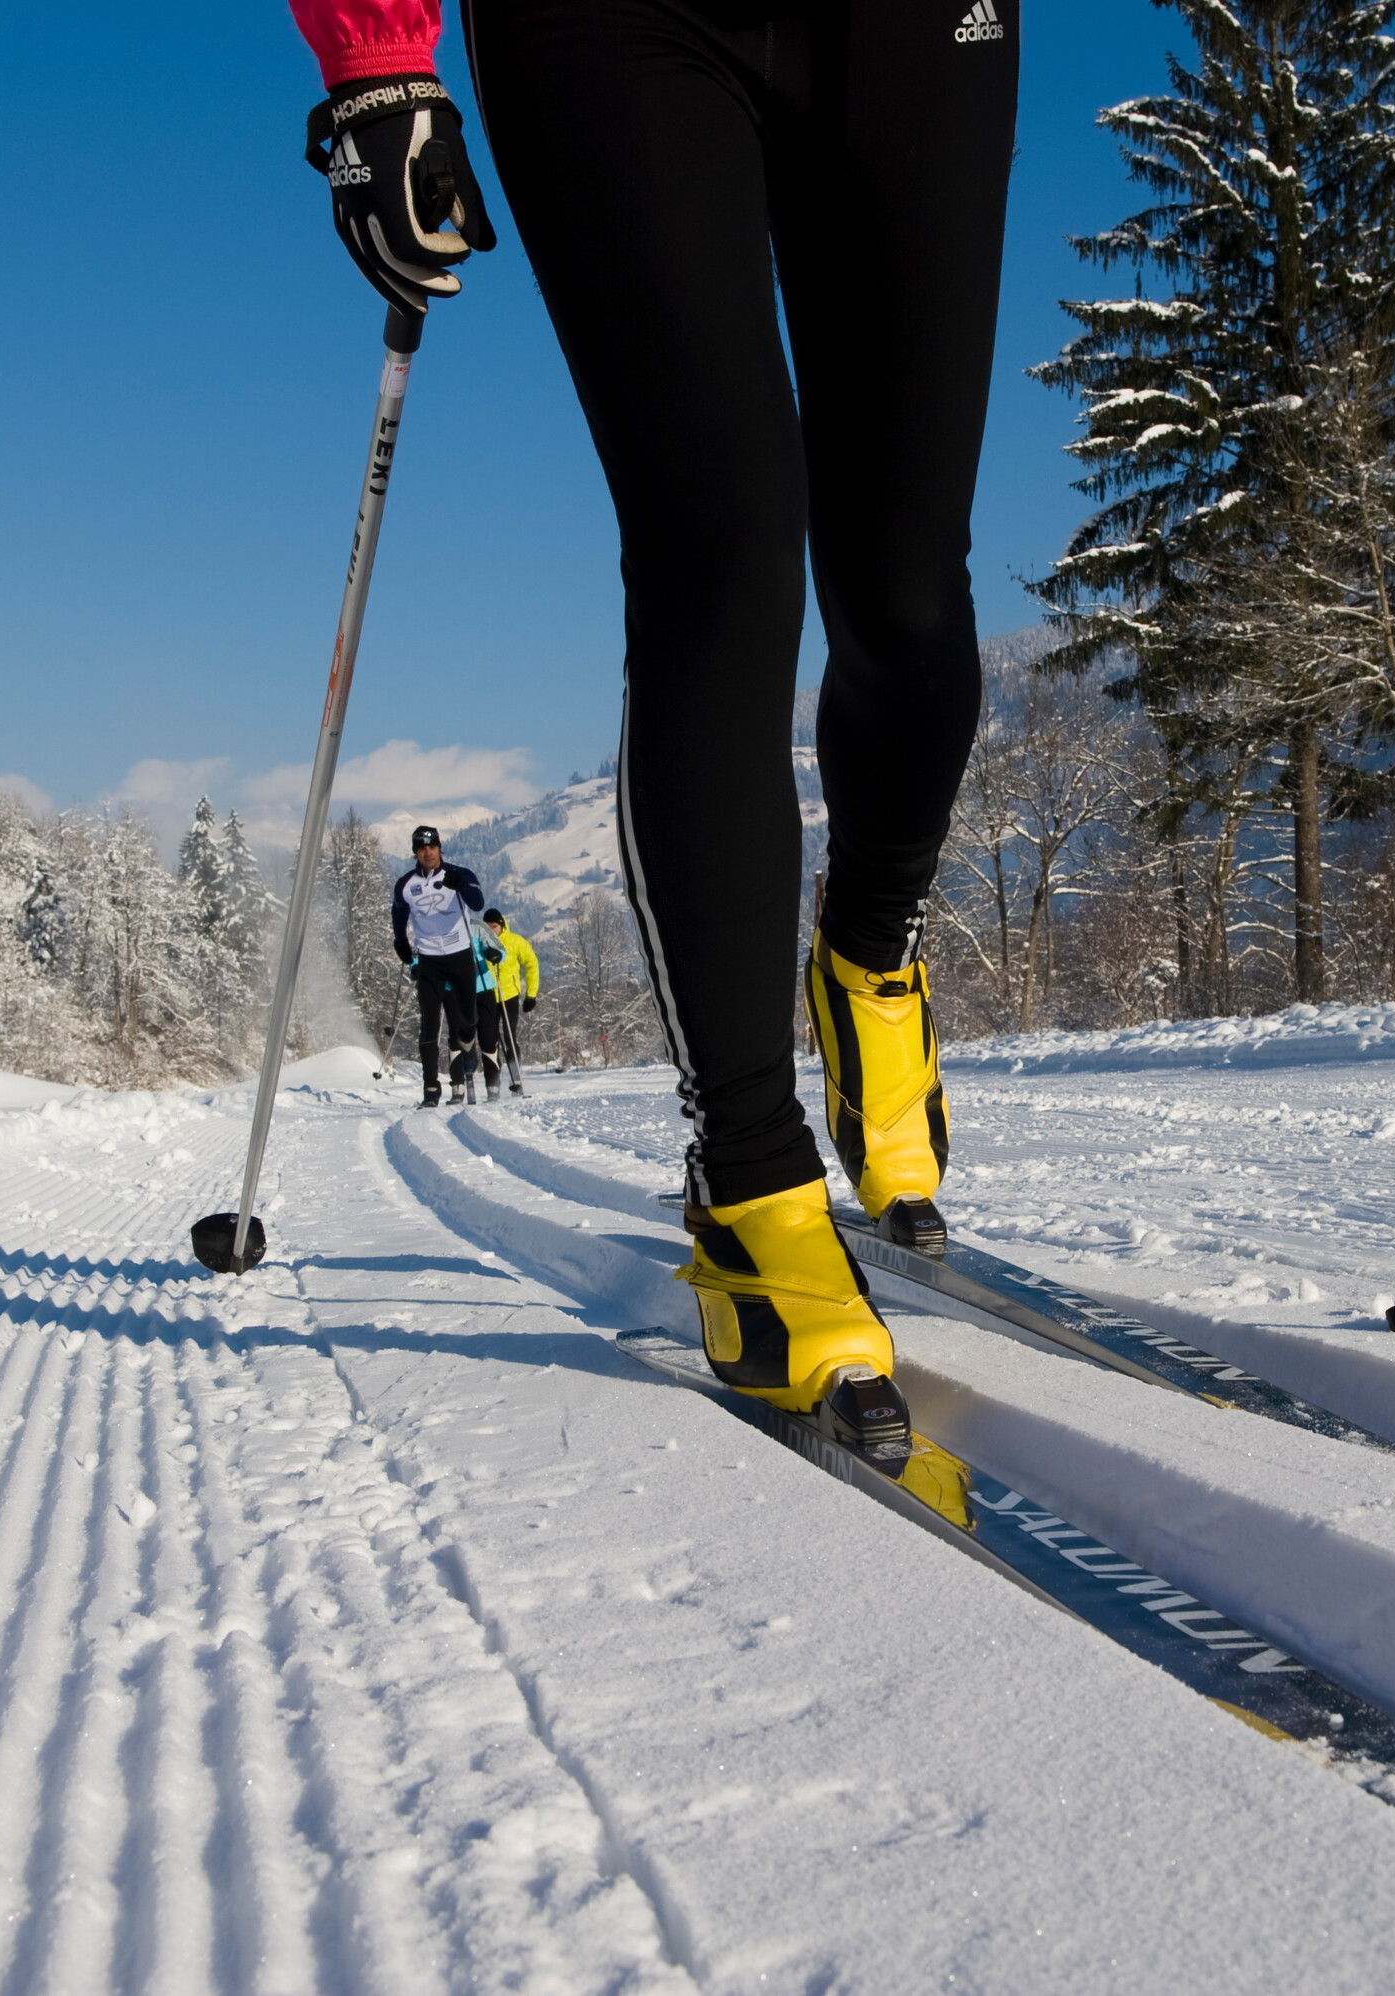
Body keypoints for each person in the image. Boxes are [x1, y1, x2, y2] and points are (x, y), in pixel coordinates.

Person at [290, 0, 1015, 1469]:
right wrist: (374, 57)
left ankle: (868, 960)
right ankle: (753, 1183)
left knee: (906, 591)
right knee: (724, 551)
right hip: (605, 23)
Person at [389, 824, 487, 1106]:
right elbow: (398, 914)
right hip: (430, 959)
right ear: (415, 853)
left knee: (468, 1019)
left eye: (432, 848)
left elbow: (477, 903)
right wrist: (401, 943)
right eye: (422, 849)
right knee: (429, 1024)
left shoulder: (458, 873)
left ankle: (469, 1048)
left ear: (439, 849)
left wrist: (461, 884)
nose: (427, 853)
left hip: (458, 955)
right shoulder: (406, 884)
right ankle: (431, 1089)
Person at [479, 907, 540, 1099]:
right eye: (487, 927)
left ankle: (516, 1079)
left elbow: (531, 963)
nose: (491, 930)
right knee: (490, 1039)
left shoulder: (514, 942)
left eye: (494, 926)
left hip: (509, 995)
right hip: (487, 995)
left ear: (502, 926)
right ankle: (494, 1082)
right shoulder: (480, 943)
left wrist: (531, 994)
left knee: (509, 1035)